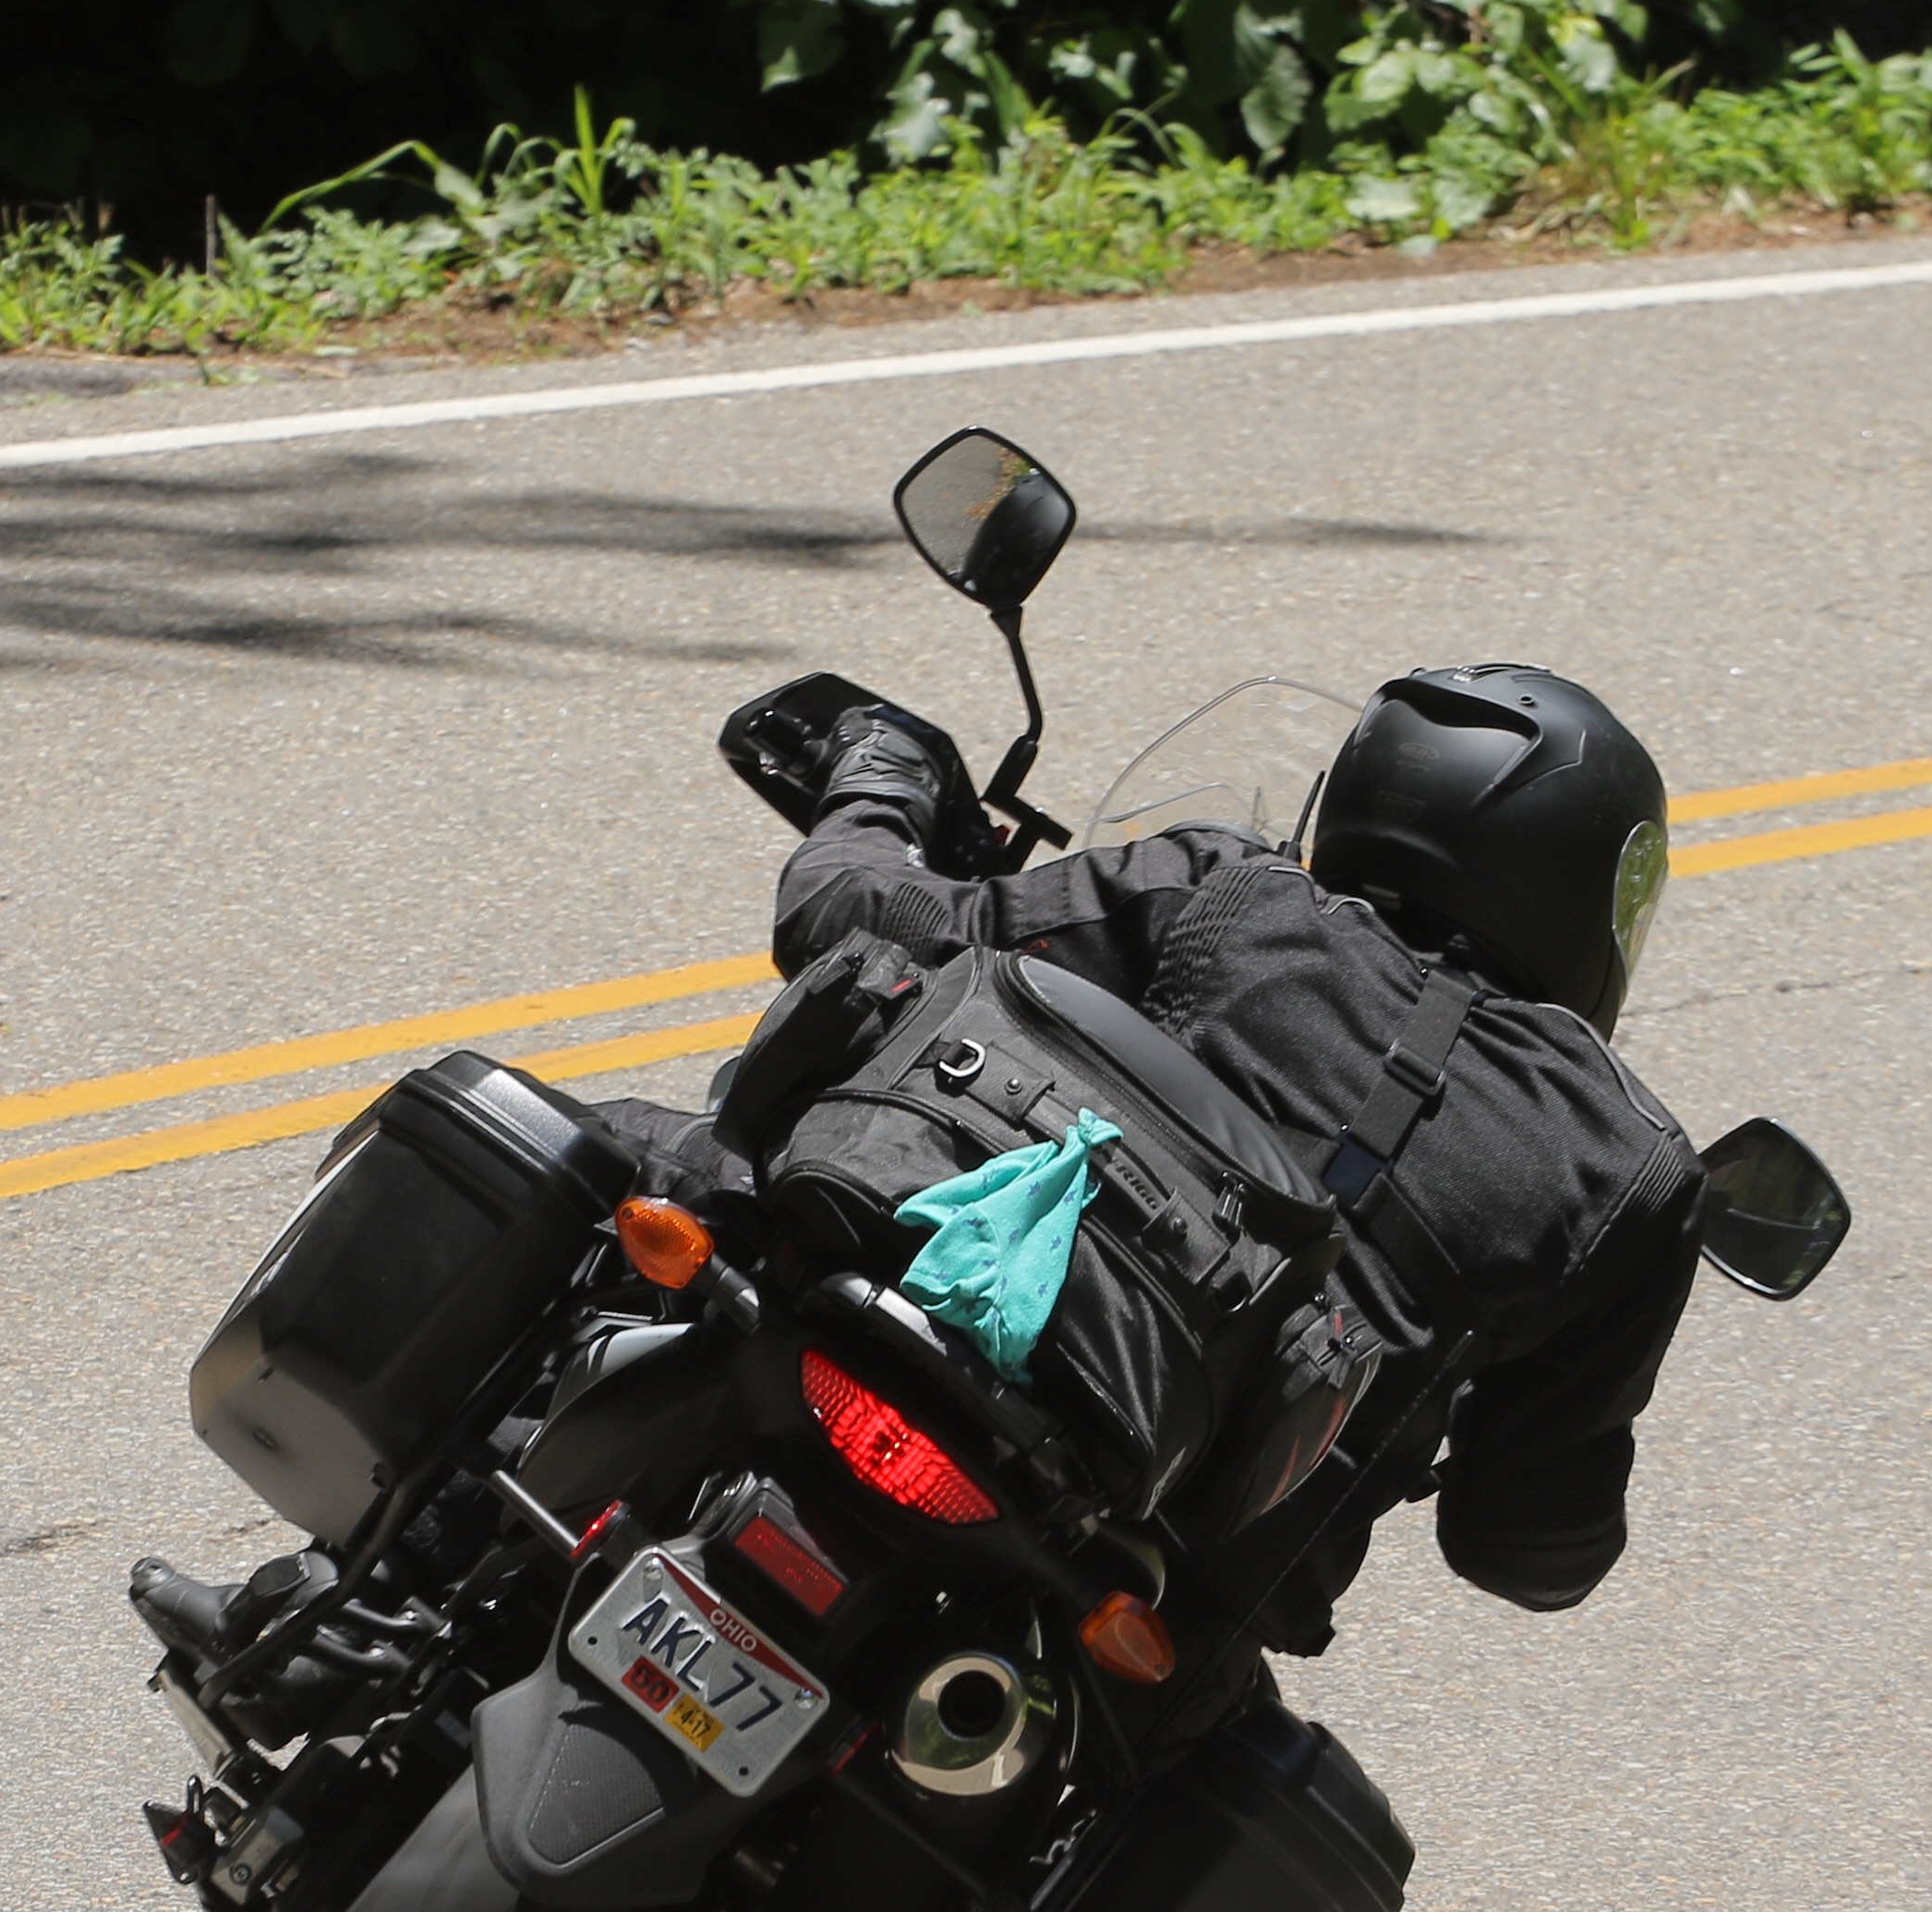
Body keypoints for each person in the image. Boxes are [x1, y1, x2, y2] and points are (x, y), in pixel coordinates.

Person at [683, 662, 1706, 1684]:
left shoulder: (1228, 894)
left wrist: (880, 776)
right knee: (1257, 1778)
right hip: (1157, 1613)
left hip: (890, 1340)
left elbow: (844, 909)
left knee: (606, 1156)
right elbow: (1524, 1549)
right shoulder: (1627, 1168)